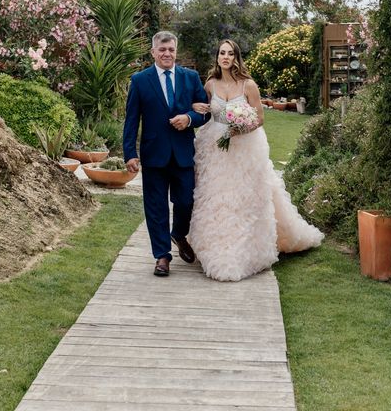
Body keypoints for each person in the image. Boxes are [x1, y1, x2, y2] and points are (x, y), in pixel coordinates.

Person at [188, 39, 323, 282]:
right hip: (215, 148)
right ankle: (214, 244)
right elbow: (208, 111)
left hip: (245, 146)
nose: (225, 57)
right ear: (217, 57)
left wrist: (239, 129)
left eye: (230, 53)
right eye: (222, 53)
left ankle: (247, 248)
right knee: (216, 195)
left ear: (236, 57)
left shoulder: (248, 85)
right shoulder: (209, 84)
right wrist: (200, 108)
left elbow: (259, 118)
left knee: (246, 196)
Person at [123, 31, 209, 277]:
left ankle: (178, 234)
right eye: (162, 50)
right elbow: (131, 120)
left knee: (186, 201)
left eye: (171, 49)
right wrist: (130, 153)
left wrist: (189, 118)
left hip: (183, 153)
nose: (167, 54)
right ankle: (162, 256)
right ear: (153, 52)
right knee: (156, 207)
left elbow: (205, 112)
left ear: (176, 51)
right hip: (153, 154)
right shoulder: (140, 81)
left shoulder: (190, 78)